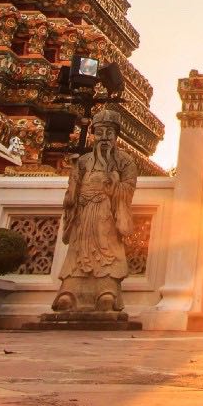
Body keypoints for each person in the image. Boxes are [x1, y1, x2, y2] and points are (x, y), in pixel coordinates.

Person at [52, 106, 137, 313]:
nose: (104, 138)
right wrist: (73, 191)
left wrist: (114, 185)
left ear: (116, 135)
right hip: (84, 213)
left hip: (107, 213)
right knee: (78, 251)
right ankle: (70, 290)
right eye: (100, 132)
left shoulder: (124, 161)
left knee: (107, 249)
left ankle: (106, 290)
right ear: (93, 135)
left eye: (110, 132)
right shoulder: (82, 162)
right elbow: (72, 192)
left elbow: (129, 188)